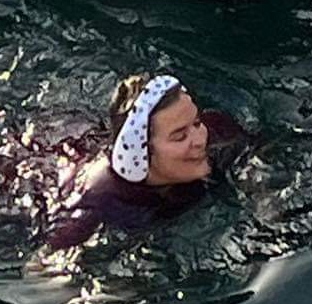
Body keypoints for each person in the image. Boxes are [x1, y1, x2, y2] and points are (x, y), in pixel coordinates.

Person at [44, 74, 246, 252]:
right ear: (141, 152)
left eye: (196, 123)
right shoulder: (95, 203)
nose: (200, 139)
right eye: (180, 136)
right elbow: (41, 272)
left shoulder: (218, 138)